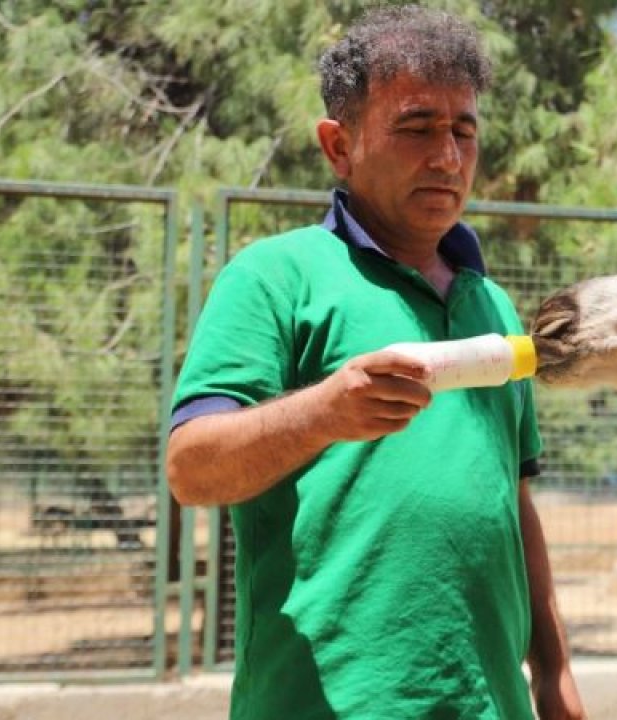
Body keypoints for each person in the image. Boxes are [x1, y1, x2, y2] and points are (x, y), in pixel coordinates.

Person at [164, 6, 585, 719]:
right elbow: (191, 467)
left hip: (491, 704)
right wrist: (324, 412)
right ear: (339, 145)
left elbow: (515, 507)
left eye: (464, 130)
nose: (448, 157)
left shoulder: (496, 310)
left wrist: (554, 670)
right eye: (417, 128)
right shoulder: (275, 277)